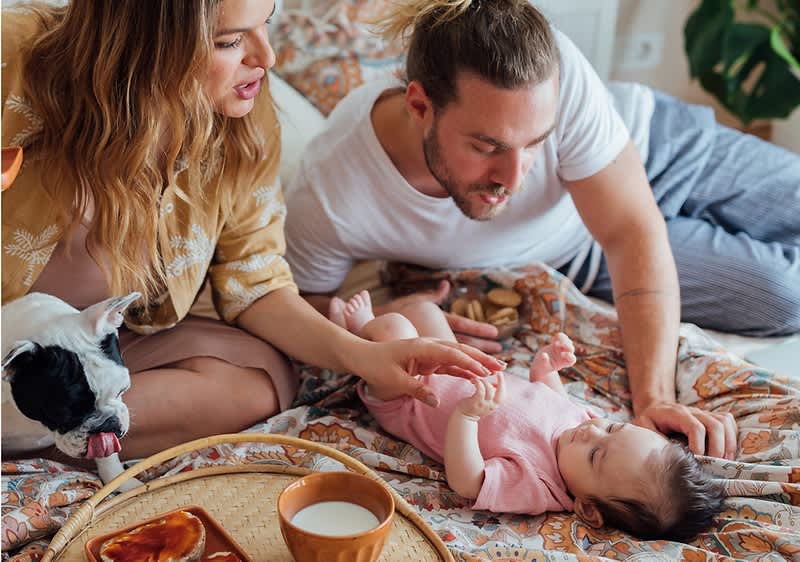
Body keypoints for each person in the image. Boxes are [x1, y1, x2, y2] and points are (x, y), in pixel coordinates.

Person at [285, 0, 800, 458]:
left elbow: (630, 226)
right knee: (784, 293)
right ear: (419, 106)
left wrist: (654, 398)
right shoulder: (333, 189)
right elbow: (302, 308)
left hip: (657, 147)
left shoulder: (553, 70)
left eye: (536, 143)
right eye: (487, 146)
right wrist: (385, 318)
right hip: (585, 250)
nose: (515, 179)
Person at [0, 0, 505, 460]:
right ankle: (47, 427)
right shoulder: (13, 61)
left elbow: (255, 279)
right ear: (146, 42)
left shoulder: (243, 120)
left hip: (99, 342)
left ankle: (45, 425)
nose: (267, 57)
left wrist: (365, 355)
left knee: (262, 381)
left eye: (267, 22)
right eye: (229, 41)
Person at [333, 291, 726, 541]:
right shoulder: (582, 427)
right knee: (425, 310)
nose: (592, 431)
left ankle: (354, 334)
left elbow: (468, 481)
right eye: (612, 427)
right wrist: (547, 366)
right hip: (454, 366)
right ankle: (363, 332)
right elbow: (549, 397)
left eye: (596, 455)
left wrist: (466, 419)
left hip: (410, 396)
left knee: (396, 328)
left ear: (587, 508)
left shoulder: (538, 484)